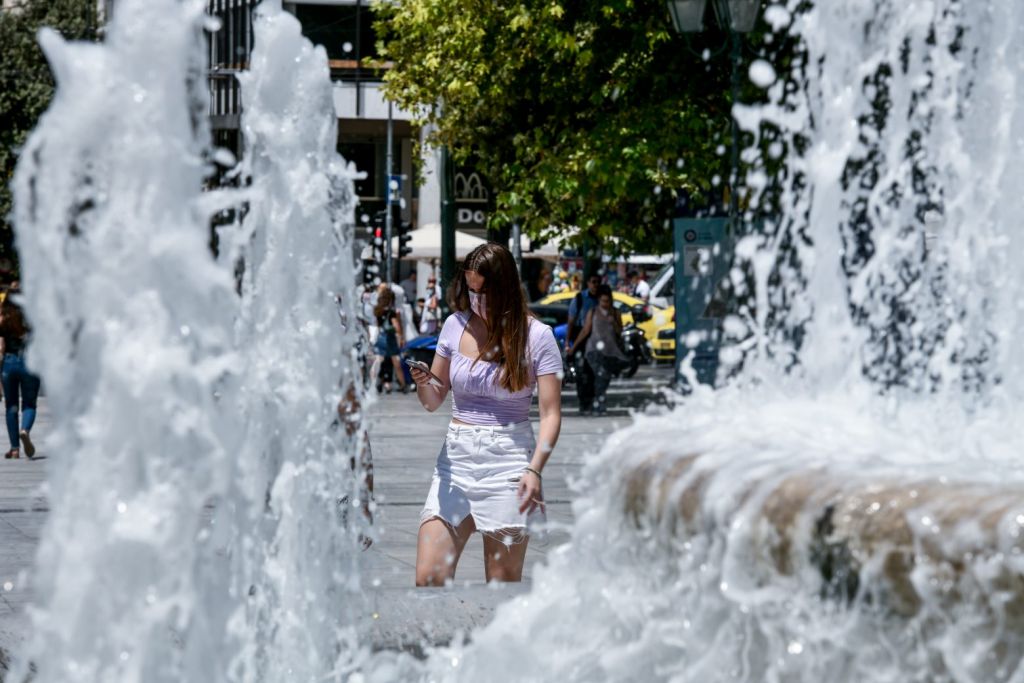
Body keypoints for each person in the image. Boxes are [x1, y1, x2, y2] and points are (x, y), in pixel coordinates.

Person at [408, 243, 563, 585]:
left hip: (509, 459)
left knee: (501, 586)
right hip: (456, 460)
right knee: (429, 578)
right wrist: (424, 382)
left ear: (505, 287)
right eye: (471, 290)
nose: (476, 299)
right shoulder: (454, 325)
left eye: (484, 291)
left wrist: (534, 468)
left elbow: (551, 414)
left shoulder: (537, 336)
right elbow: (434, 401)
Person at [566, 285, 628, 416]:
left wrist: (613, 322)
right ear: (599, 300)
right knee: (600, 376)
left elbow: (619, 332)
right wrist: (573, 347)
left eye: (608, 301)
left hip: (610, 352)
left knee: (604, 379)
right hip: (593, 350)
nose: (605, 304)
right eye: (603, 301)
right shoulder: (593, 312)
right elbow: (585, 330)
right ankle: (599, 404)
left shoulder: (616, 313)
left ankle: (598, 401)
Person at [0, 291, 40, 459]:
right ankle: (25, 430)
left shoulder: (3, 321)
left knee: (11, 407)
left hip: (9, 364)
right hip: (30, 363)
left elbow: (0, 348)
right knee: (29, 404)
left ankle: (15, 449)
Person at [565, 274, 600, 415]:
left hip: (596, 338)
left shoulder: (601, 299)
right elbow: (571, 321)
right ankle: (584, 401)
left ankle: (591, 400)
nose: (595, 285)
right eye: (593, 282)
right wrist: (568, 342)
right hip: (582, 338)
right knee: (582, 372)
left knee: (593, 372)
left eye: (597, 282)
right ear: (588, 283)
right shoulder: (580, 299)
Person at [371, 285, 408, 394]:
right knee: (396, 363)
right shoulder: (392, 311)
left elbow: (377, 325)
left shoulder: (378, 310)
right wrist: (401, 337)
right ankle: (403, 385)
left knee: (378, 361)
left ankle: (373, 384)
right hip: (390, 339)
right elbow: (396, 327)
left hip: (380, 338)